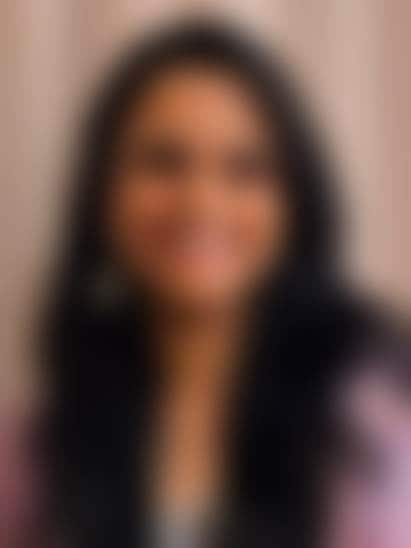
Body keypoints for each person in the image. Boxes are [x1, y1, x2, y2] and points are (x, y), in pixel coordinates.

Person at [42, 22, 404, 548]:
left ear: (295, 200)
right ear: (103, 190)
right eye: (164, 162)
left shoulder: (377, 434)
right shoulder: (37, 458)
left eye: (244, 169)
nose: (201, 202)